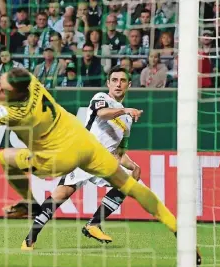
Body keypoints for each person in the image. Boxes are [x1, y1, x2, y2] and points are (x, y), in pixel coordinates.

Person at [0, 66, 201, 267]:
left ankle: (32, 204)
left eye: (4, 89)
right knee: (133, 188)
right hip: (87, 145)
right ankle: (182, 236)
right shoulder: (31, 82)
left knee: (5, 156)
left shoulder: (16, 112)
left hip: (60, 156)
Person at [25, 66, 139, 245]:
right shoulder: (101, 98)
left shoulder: (128, 118)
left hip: (104, 161)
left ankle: (94, 224)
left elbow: (119, 150)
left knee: (133, 175)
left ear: (129, 85)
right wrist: (125, 110)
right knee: (61, 194)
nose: (118, 84)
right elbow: (102, 114)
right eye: (114, 80)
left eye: (123, 81)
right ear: (108, 83)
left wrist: (131, 164)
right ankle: (30, 238)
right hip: (84, 156)